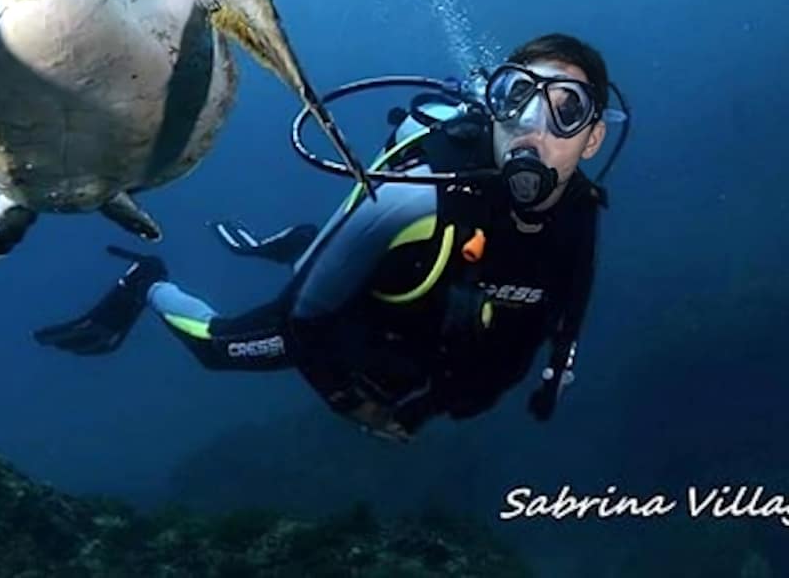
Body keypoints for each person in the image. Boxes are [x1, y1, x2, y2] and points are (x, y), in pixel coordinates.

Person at [34, 33, 628, 442]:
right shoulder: (411, 196)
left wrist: (556, 372)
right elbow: (305, 320)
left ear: (593, 138)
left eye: (565, 109)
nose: (531, 126)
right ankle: (149, 284)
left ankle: (309, 241)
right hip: (346, 315)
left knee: (369, 263)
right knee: (218, 349)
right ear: (493, 106)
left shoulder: (581, 211)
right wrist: (352, 404)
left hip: (423, 320)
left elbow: (571, 299)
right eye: (516, 97)